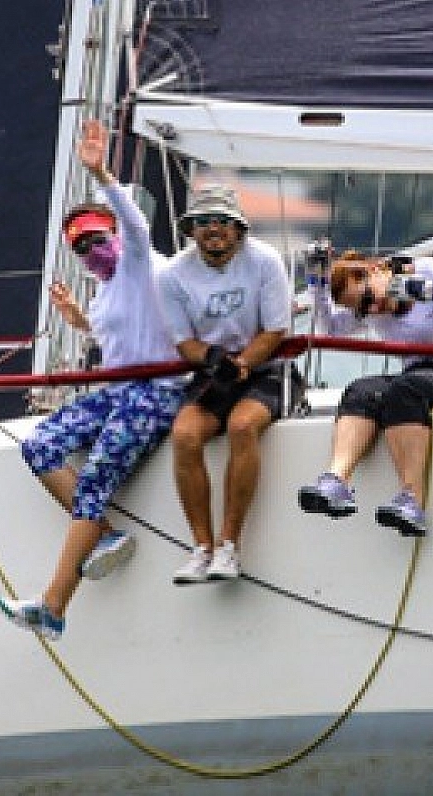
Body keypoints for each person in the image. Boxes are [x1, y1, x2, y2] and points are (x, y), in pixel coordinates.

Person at [0, 121, 182, 642]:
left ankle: (53, 605)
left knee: (95, 479)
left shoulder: (138, 264)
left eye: (98, 237)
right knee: (40, 446)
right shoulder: (103, 294)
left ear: (114, 235)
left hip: (155, 393)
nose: (92, 249)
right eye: (81, 246)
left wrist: (100, 173)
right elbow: (113, 335)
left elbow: (135, 223)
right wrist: (79, 319)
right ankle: (100, 534)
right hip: (118, 389)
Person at [297, 246, 433, 537]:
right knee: (361, 390)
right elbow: (333, 328)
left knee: (407, 387)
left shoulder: (428, 271)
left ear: (375, 272)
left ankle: (412, 500)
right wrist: (316, 282)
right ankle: (336, 480)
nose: (372, 310)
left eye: (369, 298)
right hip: (423, 378)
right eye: (361, 309)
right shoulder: (372, 306)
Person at [159, 183, 296, 585]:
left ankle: (229, 545)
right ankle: (201, 547)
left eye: (222, 221)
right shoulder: (173, 275)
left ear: (239, 229)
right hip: (213, 368)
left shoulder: (265, 260)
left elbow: (276, 329)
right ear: (191, 231)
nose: (213, 228)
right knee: (184, 434)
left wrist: (242, 364)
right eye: (203, 222)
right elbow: (184, 342)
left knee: (241, 425)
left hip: (267, 365)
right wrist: (212, 359)